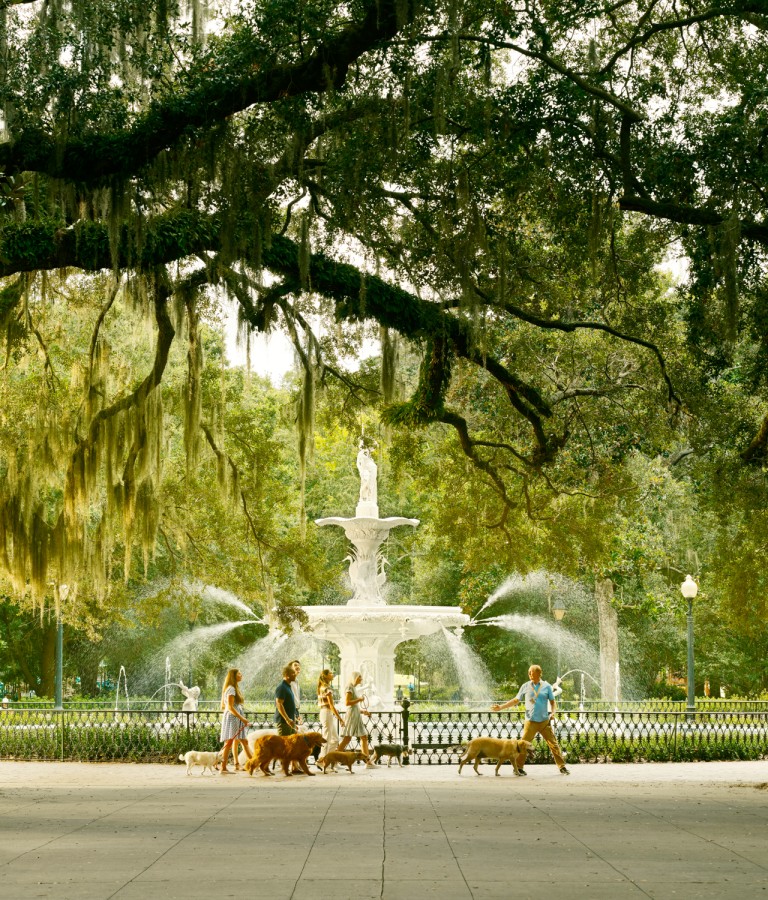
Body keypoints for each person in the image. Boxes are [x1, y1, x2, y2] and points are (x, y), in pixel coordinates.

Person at [491, 664, 570, 776]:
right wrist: (500, 707)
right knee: (522, 745)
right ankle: (518, 768)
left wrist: (553, 713)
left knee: (553, 744)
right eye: (529, 673)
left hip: (544, 722)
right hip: (530, 722)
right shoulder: (525, 686)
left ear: (538, 673)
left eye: (531, 673)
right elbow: (515, 700)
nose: (529, 675)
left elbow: (553, 702)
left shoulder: (547, 686)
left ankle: (562, 767)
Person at [337, 671, 376, 768]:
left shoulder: (353, 687)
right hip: (352, 716)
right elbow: (347, 703)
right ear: (355, 677)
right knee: (348, 738)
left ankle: (367, 762)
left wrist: (363, 711)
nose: (361, 679)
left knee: (361, 737)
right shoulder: (349, 687)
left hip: (355, 715)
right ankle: (335, 758)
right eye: (359, 677)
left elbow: (353, 706)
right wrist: (359, 699)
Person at [219, 668, 251, 775]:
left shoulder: (232, 688)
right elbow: (230, 707)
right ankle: (222, 767)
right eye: (239, 674)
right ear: (234, 676)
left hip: (235, 718)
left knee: (243, 741)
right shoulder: (231, 689)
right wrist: (242, 718)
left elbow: (228, 706)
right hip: (233, 719)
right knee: (229, 742)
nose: (241, 675)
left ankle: (253, 764)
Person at [316, 668, 344, 770]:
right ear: (326, 676)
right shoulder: (326, 688)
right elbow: (331, 706)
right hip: (326, 712)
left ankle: (330, 761)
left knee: (335, 739)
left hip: (326, 713)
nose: (333, 674)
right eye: (331, 673)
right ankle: (321, 760)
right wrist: (340, 718)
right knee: (326, 738)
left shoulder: (323, 687)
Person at [274, 664, 298, 736]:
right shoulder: (282, 687)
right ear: (287, 675)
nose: (295, 674)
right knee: (284, 746)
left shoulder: (287, 686)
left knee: (291, 746)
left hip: (289, 722)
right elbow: (279, 704)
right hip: (283, 722)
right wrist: (287, 720)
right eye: (293, 673)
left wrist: (293, 721)